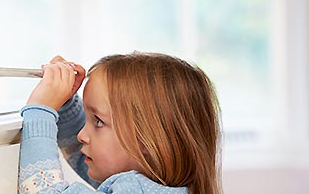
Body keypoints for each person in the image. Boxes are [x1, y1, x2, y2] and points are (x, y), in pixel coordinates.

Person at [18, 52, 221, 194]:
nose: (81, 135)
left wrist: (40, 111)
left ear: (150, 140)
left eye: (98, 121)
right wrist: (65, 105)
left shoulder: (136, 189)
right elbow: (92, 161)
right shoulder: (158, 187)